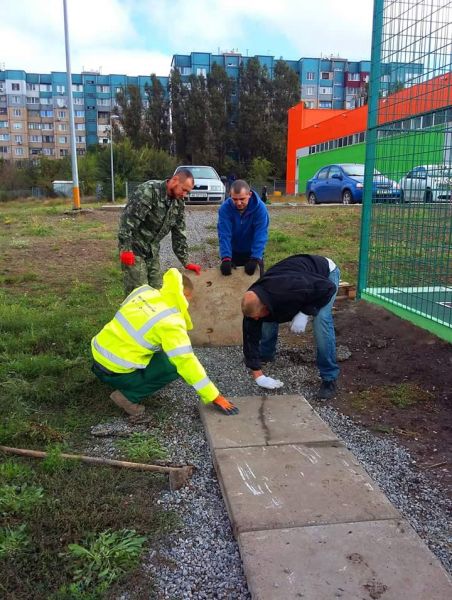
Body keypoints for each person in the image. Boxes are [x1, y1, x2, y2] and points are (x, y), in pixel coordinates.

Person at [91, 268, 239, 417]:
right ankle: (127, 396)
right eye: (190, 299)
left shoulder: (143, 292)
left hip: (98, 357)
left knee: (160, 349)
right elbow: (186, 362)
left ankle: (122, 377)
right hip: (117, 372)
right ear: (185, 296)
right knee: (173, 364)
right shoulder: (171, 322)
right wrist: (214, 396)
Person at [241, 254, 340, 400]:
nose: (255, 319)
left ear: (264, 305)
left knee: (321, 320)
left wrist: (305, 312)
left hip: (324, 275)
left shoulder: (290, 289)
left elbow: (328, 288)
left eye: (257, 315)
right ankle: (266, 354)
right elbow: (250, 336)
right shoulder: (252, 302)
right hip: (296, 277)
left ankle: (329, 378)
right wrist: (258, 375)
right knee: (265, 320)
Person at [118, 169, 201, 295]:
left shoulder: (178, 203)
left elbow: (179, 234)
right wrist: (126, 249)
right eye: (184, 190)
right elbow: (127, 222)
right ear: (175, 181)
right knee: (139, 293)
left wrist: (186, 261)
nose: (185, 194)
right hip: (134, 249)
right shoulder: (148, 192)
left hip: (152, 251)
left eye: (187, 192)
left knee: (156, 290)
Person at [217, 179, 269, 277]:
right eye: (235, 199)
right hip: (233, 252)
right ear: (230, 195)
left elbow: (261, 234)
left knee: (258, 286)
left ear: (249, 194)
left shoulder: (260, 208)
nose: (238, 203)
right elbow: (224, 234)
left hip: (252, 252)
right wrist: (226, 258)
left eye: (242, 199)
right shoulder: (225, 209)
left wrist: (255, 258)